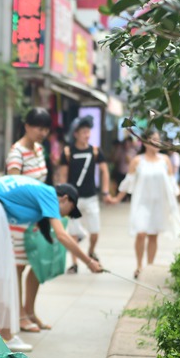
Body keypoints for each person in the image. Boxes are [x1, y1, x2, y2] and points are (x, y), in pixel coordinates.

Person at [0, 175, 103, 352]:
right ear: (64, 198)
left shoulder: (38, 191)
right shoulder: (49, 194)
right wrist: (89, 261)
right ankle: (4, 335)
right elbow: (62, 235)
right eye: (69, 210)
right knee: (1, 276)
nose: (66, 216)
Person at [5, 107, 53, 333]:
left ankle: (30, 311)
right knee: (18, 267)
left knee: (36, 265)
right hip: (19, 219)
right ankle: (19, 315)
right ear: (26, 126)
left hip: (36, 218)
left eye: (45, 128)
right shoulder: (16, 153)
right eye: (38, 127)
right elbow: (14, 186)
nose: (42, 132)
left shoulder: (39, 149)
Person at [111, 130, 180, 278]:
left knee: (153, 235)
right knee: (141, 233)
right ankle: (139, 266)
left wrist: (174, 204)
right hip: (141, 203)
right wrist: (117, 199)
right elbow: (128, 182)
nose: (156, 142)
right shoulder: (137, 161)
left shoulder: (165, 160)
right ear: (144, 142)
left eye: (158, 139)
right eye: (153, 139)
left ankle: (149, 267)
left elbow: (171, 184)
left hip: (158, 203)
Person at [55, 116, 113, 274]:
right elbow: (63, 176)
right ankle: (74, 263)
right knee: (73, 232)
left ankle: (91, 251)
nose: (87, 135)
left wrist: (106, 191)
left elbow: (104, 171)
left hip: (91, 196)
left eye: (88, 132)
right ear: (76, 134)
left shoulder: (95, 151)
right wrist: (61, 196)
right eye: (83, 132)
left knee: (95, 231)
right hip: (73, 199)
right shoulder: (67, 152)